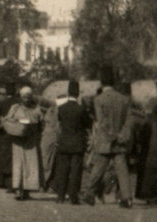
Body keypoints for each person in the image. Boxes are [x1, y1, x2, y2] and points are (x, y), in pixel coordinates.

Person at [80, 65, 134, 208]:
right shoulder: (124, 99)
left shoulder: (98, 99)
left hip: (106, 140)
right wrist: (121, 135)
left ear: (101, 81)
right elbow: (129, 121)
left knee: (98, 168)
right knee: (122, 169)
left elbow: (101, 121)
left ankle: (89, 194)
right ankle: (127, 198)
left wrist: (111, 135)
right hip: (120, 140)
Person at [53, 80, 91, 204]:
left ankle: (60, 196)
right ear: (78, 93)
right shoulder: (81, 109)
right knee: (75, 171)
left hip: (64, 142)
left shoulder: (62, 108)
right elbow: (88, 124)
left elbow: (60, 123)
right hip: (77, 143)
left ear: (68, 92)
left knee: (63, 170)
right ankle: (73, 197)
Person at [4, 85, 43, 200]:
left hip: (31, 140)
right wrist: (17, 123)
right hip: (18, 140)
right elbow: (7, 120)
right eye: (24, 97)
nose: (27, 99)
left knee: (30, 165)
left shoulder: (36, 108)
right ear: (21, 97)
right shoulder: (15, 108)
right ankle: (18, 190)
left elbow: (40, 120)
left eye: (28, 97)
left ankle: (27, 190)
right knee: (18, 164)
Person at [0, 81, 19, 191]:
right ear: (16, 91)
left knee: (2, 157)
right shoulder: (19, 102)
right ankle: (10, 183)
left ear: (6, 91)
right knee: (12, 158)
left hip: (3, 134)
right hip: (15, 133)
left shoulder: (2, 103)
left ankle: (1, 181)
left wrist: (0, 126)